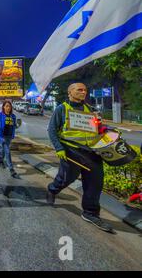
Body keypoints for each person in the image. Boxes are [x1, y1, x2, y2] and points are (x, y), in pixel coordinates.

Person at [47, 83, 113, 233]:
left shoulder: (90, 110)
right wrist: (59, 148)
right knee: (66, 179)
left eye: (85, 90)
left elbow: (97, 129)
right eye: (80, 90)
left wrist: (101, 127)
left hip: (91, 152)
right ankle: (52, 189)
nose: (84, 92)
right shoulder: (61, 109)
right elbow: (51, 130)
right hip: (71, 151)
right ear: (70, 92)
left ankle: (90, 213)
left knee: (95, 182)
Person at [0, 101, 19, 178]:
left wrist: (18, 124)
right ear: (3, 107)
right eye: (6, 106)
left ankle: (1, 160)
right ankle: (11, 169)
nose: (8, 108)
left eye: (9, 106)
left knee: (3, 150)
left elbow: (15, 126)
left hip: (9, 136)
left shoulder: (13, 116)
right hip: (0, 136)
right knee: (7, 151)